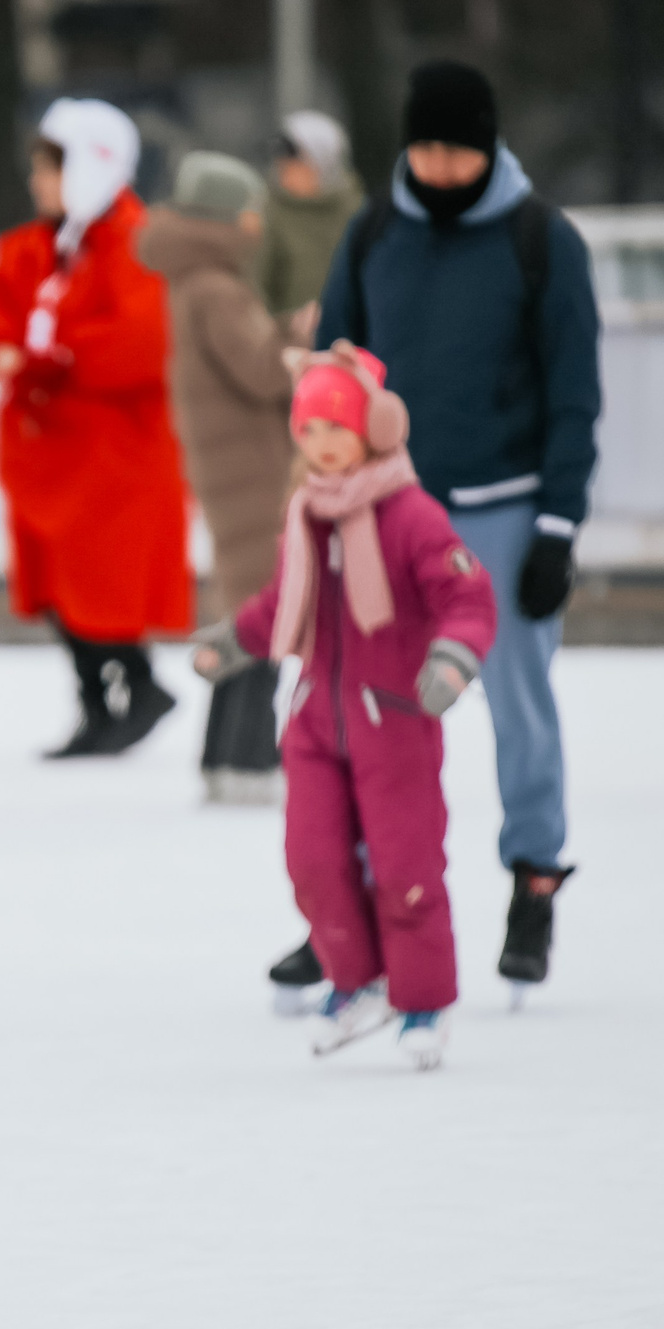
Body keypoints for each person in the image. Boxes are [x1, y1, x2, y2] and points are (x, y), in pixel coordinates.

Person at [313, 60, 602, 992]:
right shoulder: (371, 234)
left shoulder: (541, 240)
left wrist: (557, 525)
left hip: (508, 512)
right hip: (390, 513)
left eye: (459, 149)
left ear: (489, 146)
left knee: (517, 701)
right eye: (426, 147)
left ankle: (534, 876)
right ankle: (364, 897)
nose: (440, 167)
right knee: (375, 709)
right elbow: (333, 377)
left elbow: (574, 396)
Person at [200, 346, 494, 1068]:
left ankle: (423, 1000)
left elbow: (465, 595)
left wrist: (451, 659)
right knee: (312, 860)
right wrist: (236, 640)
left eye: (337, 426)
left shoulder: (408, 514)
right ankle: (357, 981)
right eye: (310, 430)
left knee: (405, 864)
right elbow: (283, 601)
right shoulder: (308, 513)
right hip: (315, 718)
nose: (323, 444)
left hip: (393, 715)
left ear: (373, 429)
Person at [0, 97, 194, 757]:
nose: (38, 181)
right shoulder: (34, 246)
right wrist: (30, 354)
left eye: (50, 167)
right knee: (57, 587)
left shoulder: (136, 242)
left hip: (113, 455)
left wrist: (49, 353)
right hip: (50, 453)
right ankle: (101, 703)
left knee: (101, 583)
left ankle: (138, 689)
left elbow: (141, 341)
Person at [138, 150, 299, 802]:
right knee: (262, 615)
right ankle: (250, 760)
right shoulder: (219, 289)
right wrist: (299, 332)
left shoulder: (189, 283)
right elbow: (261, 369)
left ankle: (223, 758)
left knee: (244, 611)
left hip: (226, 465)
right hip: (253, 468)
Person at [257, 110, 364, 325]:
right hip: (288, 344)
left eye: (298, 167)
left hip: (348, 338)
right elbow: (257, 287)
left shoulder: (356, 212)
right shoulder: (268, 214)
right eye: (282, 167)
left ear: (323, 164)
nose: (286, 175)